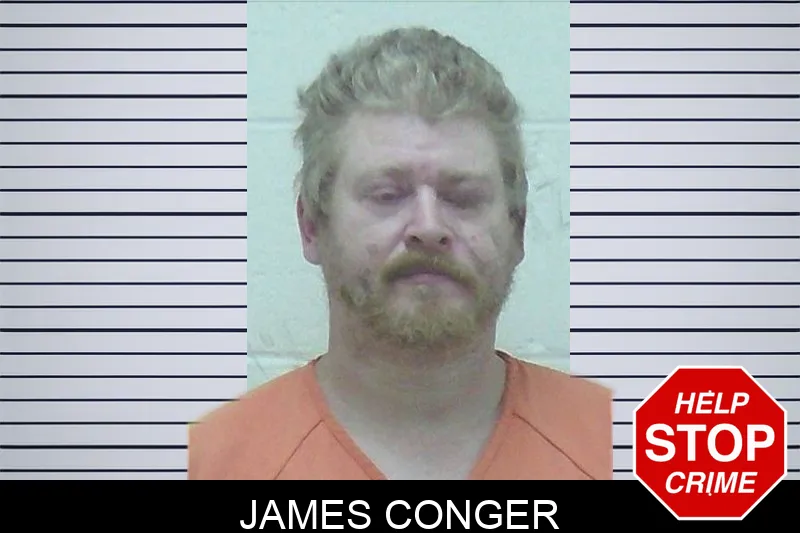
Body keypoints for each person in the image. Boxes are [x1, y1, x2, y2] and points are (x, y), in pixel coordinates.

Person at [189, 26, 612, 480]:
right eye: (387, 195)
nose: (428, 227)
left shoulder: (629, 449)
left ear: (518, 228)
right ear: (311, 226)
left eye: (464, 197)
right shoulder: (209, 463)